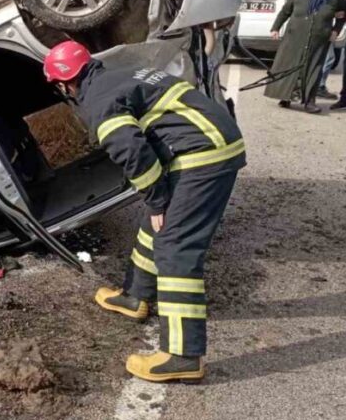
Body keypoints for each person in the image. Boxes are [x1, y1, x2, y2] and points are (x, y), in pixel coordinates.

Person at [43, 41, 246, 384]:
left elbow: (133, 153)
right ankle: (135, 296)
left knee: (175, 247)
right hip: (208, 140)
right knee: (155, 225)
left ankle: (182, 355)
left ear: (64, 84)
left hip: (203, 153)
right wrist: (157, 203)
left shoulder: (98, 100)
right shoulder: (117, 76)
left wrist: (156, 199)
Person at [263, 0, 342, 113]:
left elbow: (342, 15)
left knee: (314, 69)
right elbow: (285, 11)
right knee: (289, 66)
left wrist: (336, 30)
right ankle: (285, 97)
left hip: (319, 39)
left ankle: (309, 102)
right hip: (294, 36)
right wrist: (275, 28)